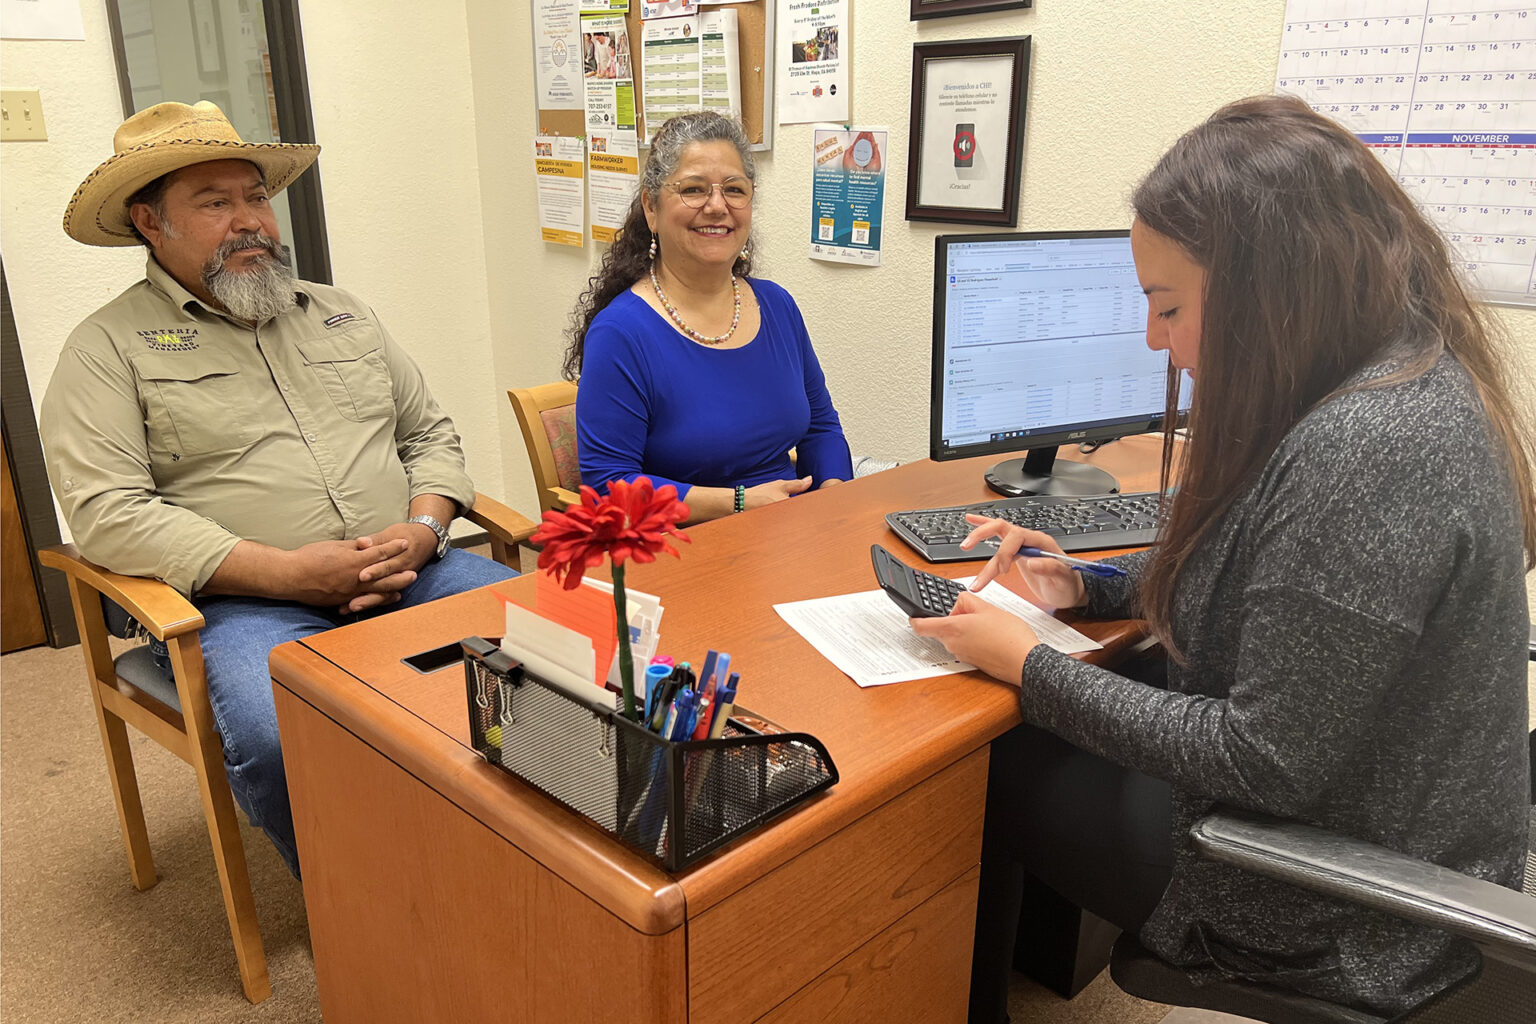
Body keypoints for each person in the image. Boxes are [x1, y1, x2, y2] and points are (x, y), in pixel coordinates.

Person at [910, 94, 1535, 1020]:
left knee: (989, 764)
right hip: (1378, 812)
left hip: (1334, 897)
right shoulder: (1397, 376)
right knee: (1057, 712)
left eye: (1168, 307)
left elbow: (1260, 760)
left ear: (1268, 290)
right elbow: (1279, 604)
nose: (1156, 341)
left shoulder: (1369, 449)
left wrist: (1031, 666)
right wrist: (1087, 582)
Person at [41, 101, 517, 878]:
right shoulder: (105, 349)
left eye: (256, 196)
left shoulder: (343, 314)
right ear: (148, 223)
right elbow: (106, 513)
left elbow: (430, 434)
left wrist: (425, 529)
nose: (250, 221)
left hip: (415, 566)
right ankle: (369, 911)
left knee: (560, 652)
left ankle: (536, 858)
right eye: (214, 203)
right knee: (278, 734)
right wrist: (289, 573)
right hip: (245, 603)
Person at [565, 111, 852, 522]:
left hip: (788, 532)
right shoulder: (621, 334)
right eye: (694, 189)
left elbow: (821, 428)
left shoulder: (778, 306)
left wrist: (832, 492)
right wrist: (738, 502)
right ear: (651, 207)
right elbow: (610, 486)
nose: (717, 207)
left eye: (734, 190)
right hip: (680, 549)